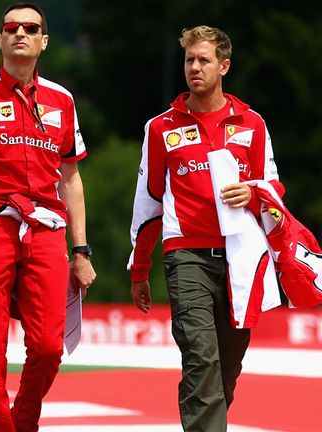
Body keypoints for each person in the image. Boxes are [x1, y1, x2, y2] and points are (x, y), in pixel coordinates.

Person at [0, 3, 96, 430]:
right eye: (11, 28)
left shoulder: (61, 99)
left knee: (50, 345)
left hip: (46, 226)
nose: (20, 33)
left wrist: (81, 250)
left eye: (30, 28)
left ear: (43, 41)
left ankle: (22, 419)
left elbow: (71, 177)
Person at [128, 25, 281, 431]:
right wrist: (139, 267)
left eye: (204, 60)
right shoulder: (160, 127)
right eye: (189, 60)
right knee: (200, 356)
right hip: (186, 255)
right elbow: (148, 202)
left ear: (224, 66)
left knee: (226, 366)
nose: (194, 67)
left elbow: (273, 186)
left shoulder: (253, 122)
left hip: (242, 257)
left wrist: (254, 195)